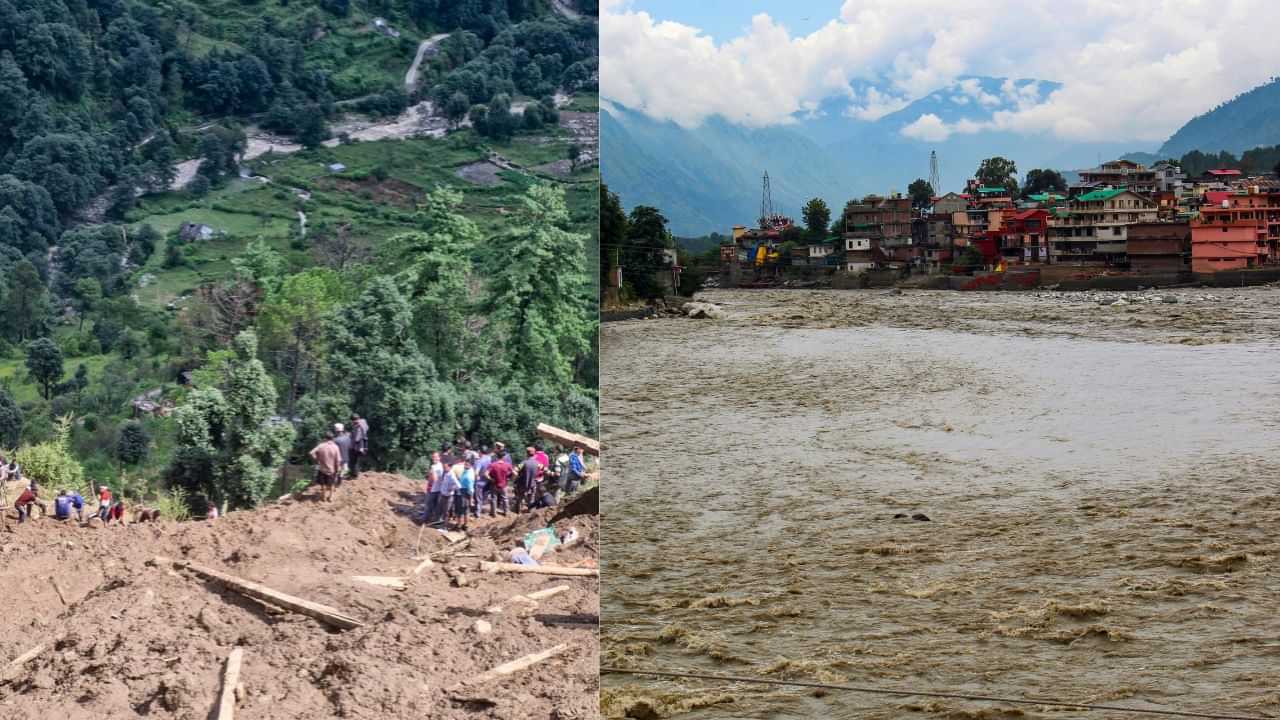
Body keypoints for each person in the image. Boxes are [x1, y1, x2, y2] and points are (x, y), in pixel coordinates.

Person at [309, 432, 343, 503]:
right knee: (332, 484)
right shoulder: (335, 447)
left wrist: (317, 459)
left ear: (325, 438)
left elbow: (311, 453)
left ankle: (323, 497)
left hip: (322, 468)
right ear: (333, 438)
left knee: (323, 484)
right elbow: (338, 460)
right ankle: (330, 497)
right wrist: (338, 468)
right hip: (332, 469)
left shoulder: (321, 446)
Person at [514, 447, 541, 514]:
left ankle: (518, 512)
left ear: (527, 454)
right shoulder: (538, 463)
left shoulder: (524, 463)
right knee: (531, 499)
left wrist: (517, 476)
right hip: (532, 484)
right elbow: (546, 470)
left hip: (522, 484)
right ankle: (530, 513)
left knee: (520, 498)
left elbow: (515, 470)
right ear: (534, 454)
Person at [436, 458, 461, 528]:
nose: (444, 468)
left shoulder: (452, 475)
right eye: (444, 467)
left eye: (446, 467)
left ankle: (445, 527)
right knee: (440, 509)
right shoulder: (446, 473)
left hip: (448, 497)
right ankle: (439, 523)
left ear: (450, 467)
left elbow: (459, 485)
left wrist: (452, 488)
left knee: (446, 512)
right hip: (443, 494)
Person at [485, 452, 512, 516]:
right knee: (505, 498)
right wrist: (510, 479)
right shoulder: (507, 465)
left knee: (494, 498)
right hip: (504, 484)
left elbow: (486, 474)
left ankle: (493, 513)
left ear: (497, 457)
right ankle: (506, 512)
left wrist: (491, 479)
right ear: (503, 457)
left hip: (494, 484)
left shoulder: (493, 465)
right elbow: (515, 473)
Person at [424, 452, 445, 524]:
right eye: (433, 457)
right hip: (439, 488)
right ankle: (435, 519)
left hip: (433, 488)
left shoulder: (434, 467)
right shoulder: (441, 466)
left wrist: (431, 474)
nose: (434, 458)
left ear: (439, 457)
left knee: (428, 504)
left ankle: (425, 519)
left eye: (436, 457)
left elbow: (434, 479)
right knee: (435, 505)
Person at [455, 459, 475, 530]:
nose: (465, 465)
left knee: (460, 510)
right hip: (464, 491)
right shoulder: (469, 470)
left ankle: (459, 525)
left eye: (467, 465)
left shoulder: (469, 476)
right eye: (465, 464)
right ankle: (465, 525)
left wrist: (471, 498)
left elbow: (471, 489)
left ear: (471, 465)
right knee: (466, 510)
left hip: (463, 493)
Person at [472, 446, 492, 518]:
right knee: (483, 496)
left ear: (480, 452)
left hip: (479, 482)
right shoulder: (489, 458)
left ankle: (477, 512)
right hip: (487, 481)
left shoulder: (479, 461)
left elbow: (476, 472)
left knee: (478, 498)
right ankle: (481, 509)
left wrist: (476, 478)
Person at [349, 414, 369, 479]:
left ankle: (354, 475)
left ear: (353, 420)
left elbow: (357, 438)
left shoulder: (358, 426)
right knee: (356, 460)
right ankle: (355, 473)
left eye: (352, 421)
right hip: (365, 443)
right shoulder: (364, 422)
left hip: (359, 445)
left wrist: (351, 437)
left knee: (353, 460)